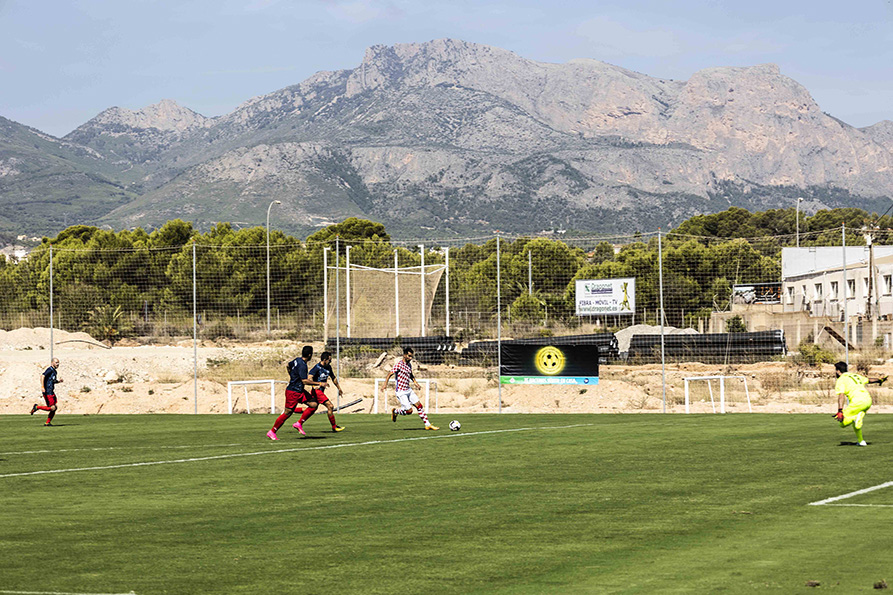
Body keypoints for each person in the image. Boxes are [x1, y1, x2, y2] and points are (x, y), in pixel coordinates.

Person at [267, 345, 327, 440]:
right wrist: (319, 383)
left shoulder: (297, 360)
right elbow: (304, 381)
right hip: (293, 392)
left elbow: (288, 366)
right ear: (310, 355)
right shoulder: (303, 365)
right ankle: (272, 431)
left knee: (314, 404)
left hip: (299, 390)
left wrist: (292, 376)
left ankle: (299, 423)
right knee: (288, 413)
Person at [383, 347, 438, 431]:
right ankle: (396, 411)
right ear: (404, 355)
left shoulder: (409, 365)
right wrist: (385, 384)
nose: (410, 358)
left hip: (408, 390)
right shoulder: (399, 365)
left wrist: (415, 382)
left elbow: (410, 374)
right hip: (401, 392)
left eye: (411, 356)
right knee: (409, 411)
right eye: (409, 356)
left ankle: (427, 425)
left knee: (419, 406)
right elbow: (389, 374)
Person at [833, 361, 887, 446]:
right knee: (857, 424)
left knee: (842, 423)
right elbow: (869, 380)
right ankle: (861, 441)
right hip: (868, 400)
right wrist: (879, 380)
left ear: (838, 371)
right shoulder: (855, 376)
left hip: (857, 402)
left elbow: (841, 395)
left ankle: (855, 417)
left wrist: (840, 410)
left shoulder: (841, 379)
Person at [308, 351, 345, 432]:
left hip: (320, 392)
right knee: (330, 406)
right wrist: (314, 385)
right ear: (325, 360)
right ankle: (334, 427)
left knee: (311, 408)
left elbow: (333, 377)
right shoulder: (317, 367)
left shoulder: (328, 367)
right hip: (317, 391)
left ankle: (289, 411)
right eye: (329, 360)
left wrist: (339, 388)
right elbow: (309, 377)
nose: (330, 362)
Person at [31, 358, 62, 426]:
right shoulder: (49, 369)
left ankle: (47, 423)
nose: (58, 364)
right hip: (48, 391)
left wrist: (58, 381)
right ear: (52, 362)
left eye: (58, 363)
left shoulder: (54, 371)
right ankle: (37, 407)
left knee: (54, 408)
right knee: (52, 408)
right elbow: (42, 376)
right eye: (56, 362)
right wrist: (42, 386)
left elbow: (52, 381)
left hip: (51, 391)